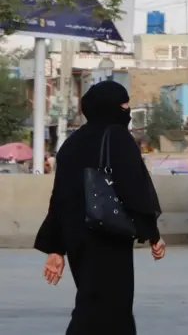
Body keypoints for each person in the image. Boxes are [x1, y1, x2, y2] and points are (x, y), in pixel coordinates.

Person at [33, 80, 166, 335]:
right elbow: (134, 190)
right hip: (108, 235)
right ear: (111, 107)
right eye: (124, 104)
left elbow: (60, 198)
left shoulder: (71, 143)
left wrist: (56, 248)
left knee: (96, 302)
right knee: (105, 308)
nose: (127, 109)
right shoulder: (117, 137)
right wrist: (152, 233)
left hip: (76, 239)